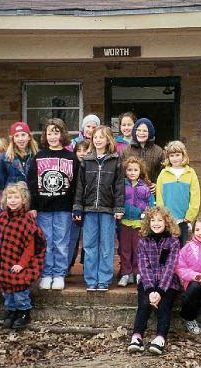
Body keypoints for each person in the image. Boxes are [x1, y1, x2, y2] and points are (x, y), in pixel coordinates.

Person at [27, 118, 79, 291]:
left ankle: (59, 274)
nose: (53, 137)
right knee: (46, 242)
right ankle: (47, 273)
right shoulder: (39, 156)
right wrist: (33, 206)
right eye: (49, 133)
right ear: (45, 135)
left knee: (62, 243)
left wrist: (75, 206)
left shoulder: (71, 157)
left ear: (62, 134)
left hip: (64, 207)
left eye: (56, 133)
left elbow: (77, 184)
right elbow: (32, 183)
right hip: (43, 208)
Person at [72, 125, 125, 291]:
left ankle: (104, 279)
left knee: (107, 246)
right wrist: (77, 208)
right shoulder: (86, 161)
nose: (98, 140)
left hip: (108, 210)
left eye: (101, 137)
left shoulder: (116, 160)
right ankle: (91, 280)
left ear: (108, 139)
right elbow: (80, 186)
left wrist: (119, 208)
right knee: (89, 245)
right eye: (95, 137)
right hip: (88, 209)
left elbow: (119, 187)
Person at [127, 206, 181, 356]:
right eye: (153, 220)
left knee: (164, 304)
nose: (156, 223)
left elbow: (170, 267)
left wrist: (161, 291)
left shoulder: (173, 242)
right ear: (148, 222)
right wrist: (150, 290)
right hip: (148, 281)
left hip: (168, 283)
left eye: (160, 220)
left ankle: (160, 338)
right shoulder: (143, 242)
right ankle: (136, 337)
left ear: (167, 222)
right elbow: (143, 267)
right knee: (144, 303)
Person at [0, 182, 46, 330]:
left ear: (23, 199)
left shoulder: (27, 219)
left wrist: (22, 264)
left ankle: (23, 312)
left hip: (22, 261)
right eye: (9, 197)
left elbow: (30, 247)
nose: (12, 200)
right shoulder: (2, 218)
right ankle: (11, 311)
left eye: (16, 197)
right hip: (5, 259)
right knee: (7, 290)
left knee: (19, 291)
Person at [118, 156, 155, 287]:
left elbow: (151, 204)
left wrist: (147, 215)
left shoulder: (145, 188)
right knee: (125, 249)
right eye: (129, 170)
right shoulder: (121, 185)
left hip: (140, 224)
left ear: (140, 171)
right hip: (125, 223)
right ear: (125, 171)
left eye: (135, 170)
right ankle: (126, 274)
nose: (132, 172)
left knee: (138, 249)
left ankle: (138, 272)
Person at [156, 140, 201, 247]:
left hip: (183, 219)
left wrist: (190, 216)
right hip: (167, 218)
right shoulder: (163, 174)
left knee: (181, 247)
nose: (175, 158)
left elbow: (195, 196)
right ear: (168, 157)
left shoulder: (190, 173)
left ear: (183, 155)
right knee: (166, 247)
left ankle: (180, 265)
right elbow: (159, 196)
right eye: (172, 155)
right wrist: (163, 214)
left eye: (178, 155)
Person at [67, 139, 90, 273]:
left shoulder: (92, 166)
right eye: (78, 150)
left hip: (89, 207)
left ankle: (87, 266)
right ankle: (68, 265)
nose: (81, 153)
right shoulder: (72, 166)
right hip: (74, 207)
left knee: (88, 240)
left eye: (85, 150)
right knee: (72, 239)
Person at [121, 118, 164, 186]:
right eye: (138, 130)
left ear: (150, 132)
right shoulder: (125, 151)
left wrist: (157, 185)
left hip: (151, 193)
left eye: (145, 131)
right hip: (130, 192)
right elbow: (120, 174)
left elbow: (163, 174)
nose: (141, 133)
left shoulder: (159, 151)